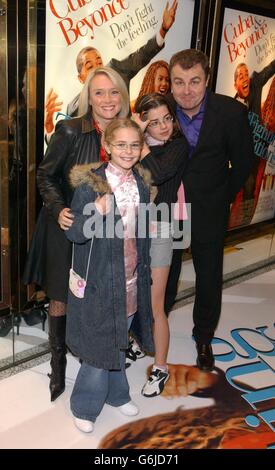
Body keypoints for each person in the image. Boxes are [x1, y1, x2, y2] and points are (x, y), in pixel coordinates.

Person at [24, 67, 129, 402]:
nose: (107, 99)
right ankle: (57, 365)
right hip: (66, 225)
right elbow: (45, 175)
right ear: (89, 97)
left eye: (114, 92)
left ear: (122, 96)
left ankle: (91, 355)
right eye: (99, 92)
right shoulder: (70, 129)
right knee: (61, 297)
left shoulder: (126, 132)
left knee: (93, 293)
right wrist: (58, 209)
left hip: (103, 231)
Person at [164, 49, 254, 371]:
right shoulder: (160, 110)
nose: (186, 90)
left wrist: (221, 196)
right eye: (179, 82)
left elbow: (244, 162)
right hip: (167, 210)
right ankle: (154, 329)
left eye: (194, 82)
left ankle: (203, 337)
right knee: (164, 273)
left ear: (207, 80)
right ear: (171, 84)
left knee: (208, 276)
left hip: (209, 210)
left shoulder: (230, 113)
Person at [65, 118, 154, 433]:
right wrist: (96, 212)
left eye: (134, 145)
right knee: (99, 346)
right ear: (107, 146)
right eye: (121, 145)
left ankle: (117, 395)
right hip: (102, 282)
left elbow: (139, 231)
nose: (128, 151)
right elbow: (75, 233)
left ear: (141, 148)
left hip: (131, 277)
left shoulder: (141, 182)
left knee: (119, 340)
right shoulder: (92, 185)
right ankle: (85, 406)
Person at [44, 0, 179, 134]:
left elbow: (141, 55)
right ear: (81, 78)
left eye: (99, 62)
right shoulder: (73, 107)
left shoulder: (117, 71)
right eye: (90, 66)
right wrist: (49, 126)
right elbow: (66, 142)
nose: (97, 68)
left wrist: (163, 29)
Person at [131, 93, 188, 397]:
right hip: (132, 228)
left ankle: (161, 368)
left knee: (155, 303)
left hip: (163, 226)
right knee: (132, 295)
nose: (164, 126)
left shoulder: (178, 146)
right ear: (144, 123)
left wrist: (138, 142)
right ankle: (140, 342)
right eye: (154, 122)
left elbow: (160, 174)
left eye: (167, 118)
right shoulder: (136, 144)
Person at [229, 60, 275, 227]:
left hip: (255, 154)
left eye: (246, 74)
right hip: (236, 156)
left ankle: (244, 225)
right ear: (236, 85)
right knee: (232, 190)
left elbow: (269, 70)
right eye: (240, 76)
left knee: (249, 188)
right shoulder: (231, 105)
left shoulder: (255, 85)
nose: (245, 78)